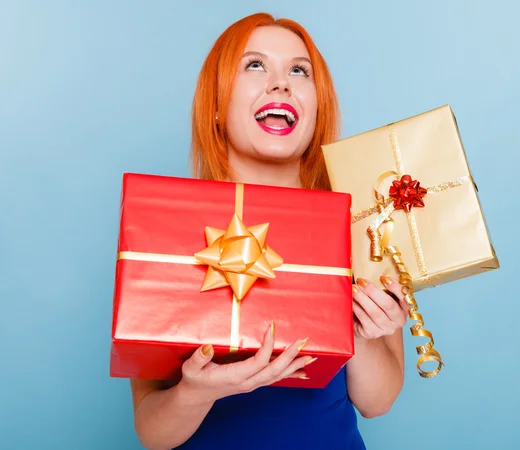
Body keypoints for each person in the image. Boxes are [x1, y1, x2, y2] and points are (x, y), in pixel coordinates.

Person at [129, 12, 411, 450]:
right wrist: (196, 392)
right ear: (218, 106)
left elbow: (379, 401)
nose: (281, 83)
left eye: (299, 70)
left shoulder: (365, 227)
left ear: (317, 107)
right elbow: (152, 431)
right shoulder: (164, 230)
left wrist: (356, 327)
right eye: (255, 65)